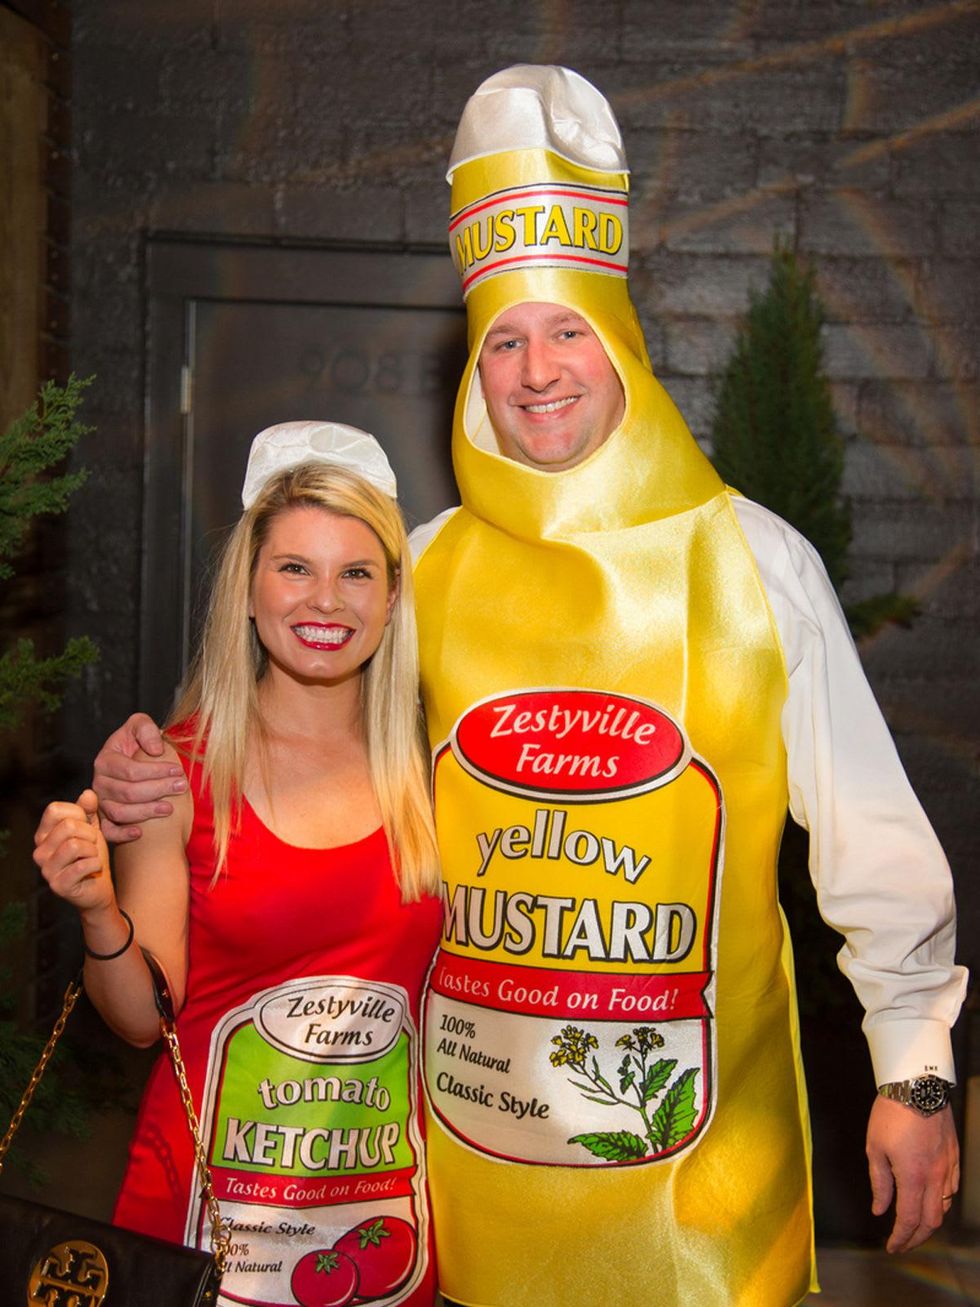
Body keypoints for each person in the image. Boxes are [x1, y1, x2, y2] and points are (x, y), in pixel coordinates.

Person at [91, 69, 967, 1307]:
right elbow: (302, 723)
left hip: (695, 1189)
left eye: (568, 331)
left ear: (622, 346)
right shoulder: (432, 563)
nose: (537, 368)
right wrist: (156, 769)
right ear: (475, 365)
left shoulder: (752, 560)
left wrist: (912, 1070)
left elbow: (873, 836)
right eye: (505, 337)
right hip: (465, 1187)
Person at [35, 422, 442, 1307]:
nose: (324, 600)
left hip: (382, 1231)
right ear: (249, 588)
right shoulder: (176, 769)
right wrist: (100, 910)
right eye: (294, 566)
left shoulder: (433, 776)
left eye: (356, 571)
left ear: (391, 597)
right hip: (204, 1227)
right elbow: (147, 1018)